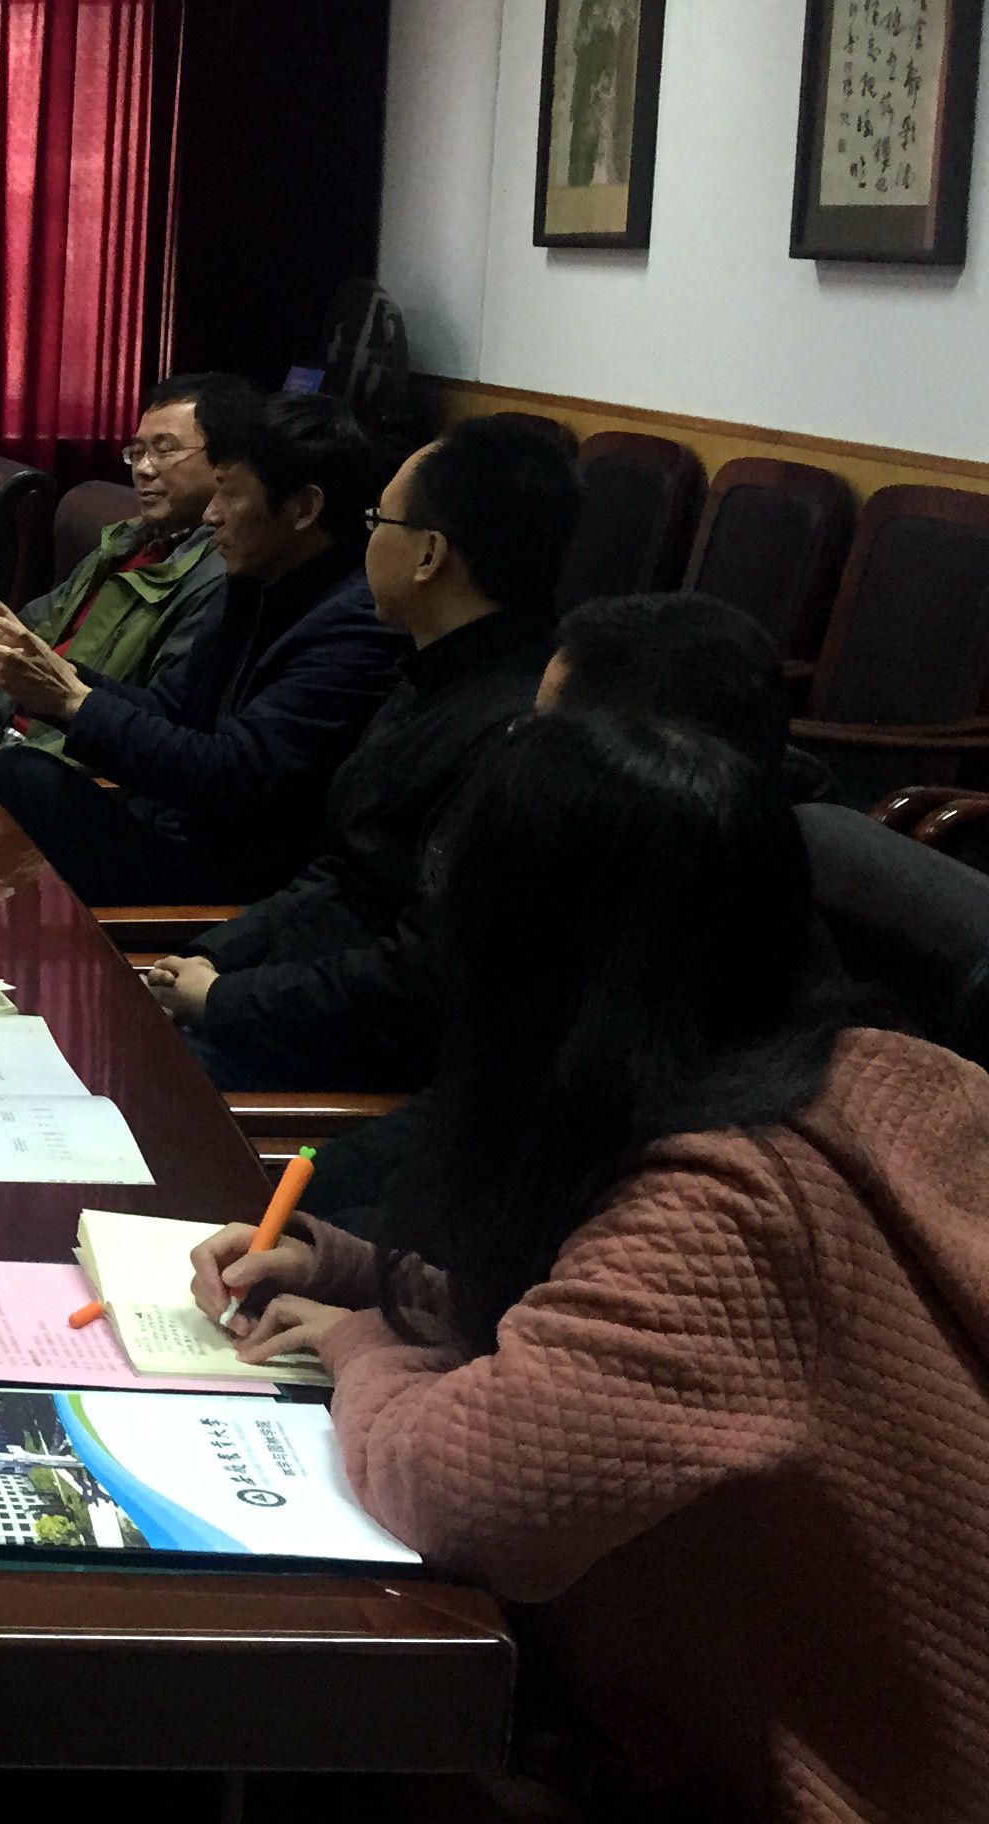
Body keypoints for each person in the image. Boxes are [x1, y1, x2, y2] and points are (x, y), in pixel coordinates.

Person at [188, 710, 989, 1823]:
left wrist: (361, 1344)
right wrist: (361, 1273)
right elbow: (588, 1321)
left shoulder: (729, 1206)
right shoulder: (882, 1076)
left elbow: (465, 1493)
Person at [302, 589, 989, 1234]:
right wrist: (323, 1233)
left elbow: (545, 1253)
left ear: (636, 770)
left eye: (538, 732)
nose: (511, 756)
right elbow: (481, 1108)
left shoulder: (724, 1116)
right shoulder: (634, 913)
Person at [145, 414, 582, 1089]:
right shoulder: (430, 671)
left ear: (429, 555)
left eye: (379, 520)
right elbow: (344, 870)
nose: (365, 538)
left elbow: (420, 982)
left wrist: (225, 999)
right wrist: (211, 959)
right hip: (291, 999)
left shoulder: (519, 732)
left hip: (360, 1059)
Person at [0, 391, 406, 904]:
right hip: (165, 828)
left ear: (303, 508)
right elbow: (170, 708)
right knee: (15, 779)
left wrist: (73, 702)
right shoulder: (255, 584)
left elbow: (231, 774)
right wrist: (58, 681)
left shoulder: (357, 626)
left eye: (229, 495)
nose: (212, 516)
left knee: (18, 777)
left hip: (234, 881)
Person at [0, 372, 250, 768]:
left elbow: (153, 728)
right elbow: (24, 637)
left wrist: (4, 763)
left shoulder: (221, 575)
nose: (144, 469)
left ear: (227, 461)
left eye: (164, 450)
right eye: (137, 452)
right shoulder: (124, 541)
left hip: (57, 774)